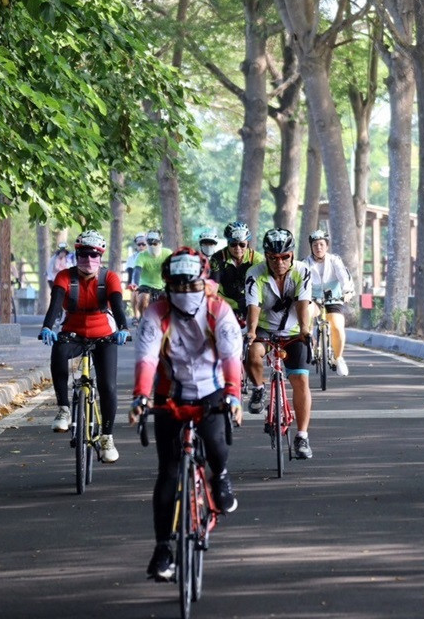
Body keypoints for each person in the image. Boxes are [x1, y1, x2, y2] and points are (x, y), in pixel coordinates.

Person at [128, 247, 243, 582]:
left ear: (203, 282)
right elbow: (147, 359)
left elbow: (231, 359)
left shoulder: (219, 311)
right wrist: (140, 396)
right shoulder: (156, 314)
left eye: (191, 286)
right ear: (167, 287)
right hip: (171, 393)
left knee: (216, 445)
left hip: (212, 390)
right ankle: (163, 548)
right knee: (168, 471)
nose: (185, 294)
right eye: (177, 288)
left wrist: (234, 396)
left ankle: (219, 475)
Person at [39, 230, 131, 461]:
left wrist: (123, 328)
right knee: (58, 350)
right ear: (76, 256)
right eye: (82, 255)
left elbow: (118, 306)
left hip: (104, 336)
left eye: (94, 255)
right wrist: (47, 327)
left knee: (108, 386)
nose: (88, 261)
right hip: (74, 332)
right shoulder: (64, 277)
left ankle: (107, 437)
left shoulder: (109, 278)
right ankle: (63, 408)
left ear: (101, 257)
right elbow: (55, 304)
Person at [244, 228, 314, 459]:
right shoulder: (255, 273)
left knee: (300, 379)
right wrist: (252, 332)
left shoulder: (303, 271)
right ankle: (259, 389)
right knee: (252, 353)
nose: (279, 262)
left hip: (294, 330)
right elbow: (253, 306)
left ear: (292, 255)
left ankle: (302, 437)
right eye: (273, 258)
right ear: (265, 256)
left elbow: (304, 303)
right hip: (265, 328)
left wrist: (305, 330)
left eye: (285, 257)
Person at [209, 222, 263, 388]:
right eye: (233, 244)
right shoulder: (217, 258)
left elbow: (263, 287)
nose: (238, 248)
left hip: (250, 303)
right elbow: (213, 287)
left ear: (248, 243)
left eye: (242, 244)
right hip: (226, 304)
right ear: (227, 243)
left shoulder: (258, 259)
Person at [300, 228, 355, 376]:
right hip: (314, 299)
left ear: (327, 246)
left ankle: (339, 358)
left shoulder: (335, 260)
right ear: (311, 247)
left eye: (321, 244)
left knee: (336, 326)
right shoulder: (305, 263)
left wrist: (347, 292)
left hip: (334, 298)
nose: (318, 248)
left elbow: (344, 277)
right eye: (315, 245)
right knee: (308, 312)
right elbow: (301, 283)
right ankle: (311, 342)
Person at [132, 229, 171, 317]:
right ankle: (143, 318)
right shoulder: (141, 255)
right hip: (145, 284)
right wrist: (135, 283)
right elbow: (137, 270)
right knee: (143, 299)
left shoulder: (167, 253)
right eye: (150, 244)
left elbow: (173, 267)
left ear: (160, 243)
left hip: (163, 285)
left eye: (155, 244)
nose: (152, 246)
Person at [124, 234, 147, 318]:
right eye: (139, 244)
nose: (141, 246)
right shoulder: (132, 258)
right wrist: (129, 284)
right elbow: (130, 271)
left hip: (148, 281)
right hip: (136, 282)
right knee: (134, 295)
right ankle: (136, 316)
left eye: (143, 244)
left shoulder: (150, 256)